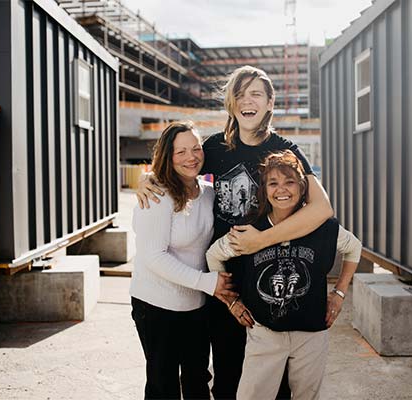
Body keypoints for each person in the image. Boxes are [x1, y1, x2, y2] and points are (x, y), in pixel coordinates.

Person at [136, 66, 333, 399]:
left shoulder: (284, 151)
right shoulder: (212, 149)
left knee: (275, 378)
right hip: (223, 284)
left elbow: (322, 208)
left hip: (271, 278)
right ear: (230, 103)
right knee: (228, 374)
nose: (247, 101)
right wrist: (148, 178)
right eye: (239, 94)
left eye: (256, 93)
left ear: (270, 102)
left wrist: (260, 240)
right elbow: (179, 168)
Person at [206, 150, 362, 400]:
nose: (282, 190)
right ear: (264, 190)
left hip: (311, 333)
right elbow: (214, 255)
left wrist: (339, 293)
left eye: (289, 182)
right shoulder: (250, 228)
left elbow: (354, 247)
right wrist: (231, 302)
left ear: (302, 187)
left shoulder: (323, 228)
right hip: (264, 332)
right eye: (273, 183)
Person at [130, 121, 236, 400]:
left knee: (197, 380)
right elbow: (153, 256)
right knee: (162, 385)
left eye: (196, 148)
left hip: (196, 305)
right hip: (156, 305)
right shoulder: (157, 195)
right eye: (181, 152)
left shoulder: (207, 191)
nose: (191, 157)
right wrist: (207, 282)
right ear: (168, 156)